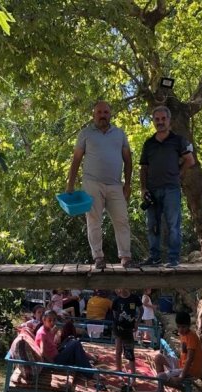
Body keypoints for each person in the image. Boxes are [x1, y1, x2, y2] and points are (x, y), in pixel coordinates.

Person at [66, 100, 136, 269]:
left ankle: (125, 257)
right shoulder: (85, 133)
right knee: (94, 221)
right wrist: (70, 184)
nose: (102, 115)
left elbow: (128, 160)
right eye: (99, 112)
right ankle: (98, 257)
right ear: (93, 115)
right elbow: (76, 159)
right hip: (92, 184)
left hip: (115, 185)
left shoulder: (119, 134)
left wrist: (127, 184)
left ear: (110, 114)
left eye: (105, 112)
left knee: (122, 220)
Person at [139, 105, 195, 268]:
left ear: (169, 120)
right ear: (153, 121)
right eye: (157, 119)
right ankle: (154, 257)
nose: (160, 122)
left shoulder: (178, 140)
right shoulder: (149, 143)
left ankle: (173, 259)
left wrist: (178, 174)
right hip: (152, 190)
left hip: (171, 188)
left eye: (163, 118)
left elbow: (190, 160)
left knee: (173, 225)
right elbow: (144, 168)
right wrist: (143, 188)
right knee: (152, 225)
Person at [35, 310, 94, 375]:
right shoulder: (42, 333)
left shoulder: (48, 329)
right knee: (75, 343)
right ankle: (90, 373)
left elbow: (51, 343)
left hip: (57, 354)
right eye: (49, 320)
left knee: (71, 340)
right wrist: (53, 364)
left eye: (54, 320)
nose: (52, 322)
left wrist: (55, 334)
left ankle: (85, 364)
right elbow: (42, 352)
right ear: (44, 320)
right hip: (55, 360)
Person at [154, 311, 202, 389]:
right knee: (158, 358)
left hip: (190, 370)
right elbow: (184, 353)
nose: (180, 330)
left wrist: (181, 376)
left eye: (183, 327)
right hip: (181, 365)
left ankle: (183, 389)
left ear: (189, 326)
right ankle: (160, 391)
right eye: (178, 327)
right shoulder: (183, 334)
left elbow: (189, 359)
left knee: (160, 377)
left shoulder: (191, 337)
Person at [111, 288, 142, 391]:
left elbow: (141, 310)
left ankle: (133, 377)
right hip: (118, 328)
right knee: (118, 350)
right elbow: (114, 313)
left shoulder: (135, 298)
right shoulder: (116, 300)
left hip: (129, 329)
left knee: (130, 352)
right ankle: (119, 372)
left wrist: (137, 322)